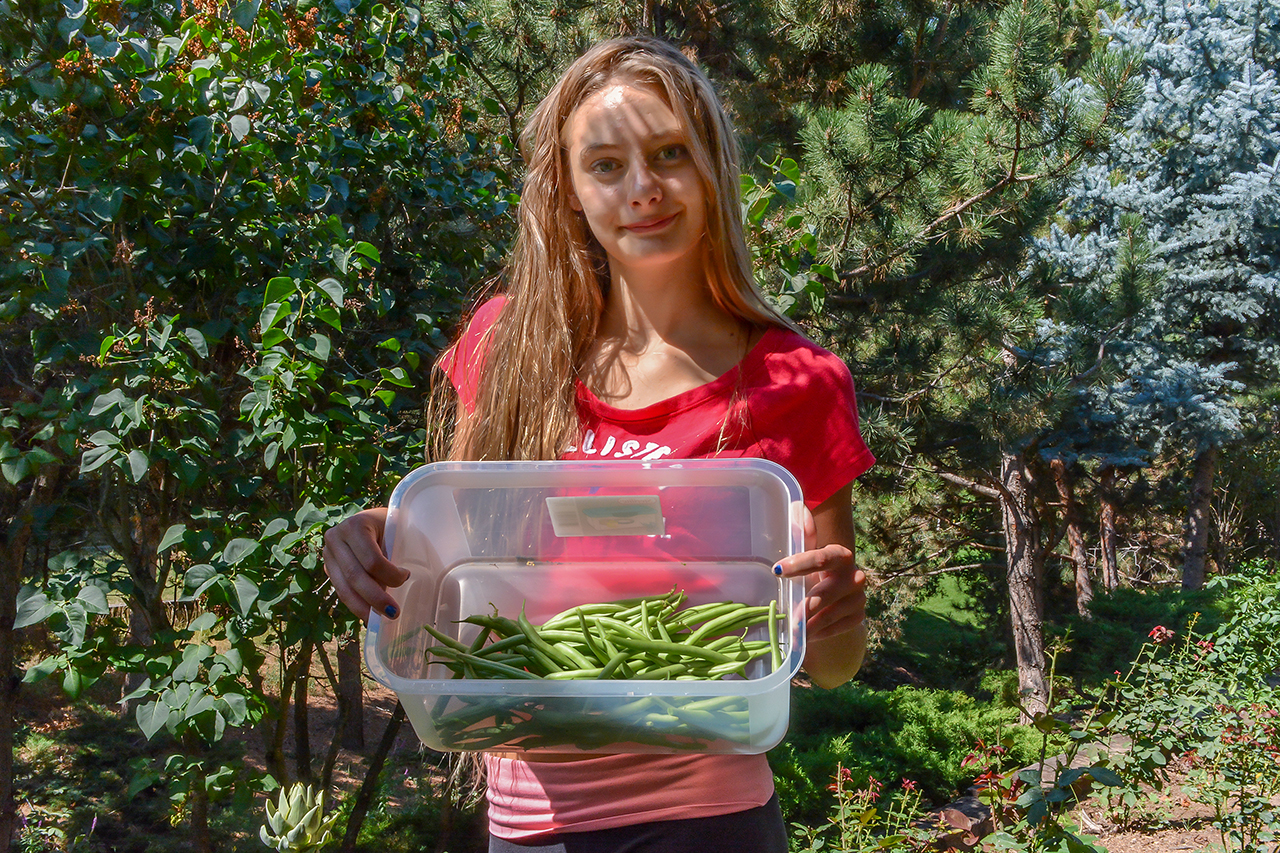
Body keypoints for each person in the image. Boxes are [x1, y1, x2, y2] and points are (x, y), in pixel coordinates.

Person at [323, 35, 875, 852]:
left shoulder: (798, 380)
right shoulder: (511, 345)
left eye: (669, 154)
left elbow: (830, 664)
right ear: (570, 191)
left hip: (708, 822)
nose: (643, 189)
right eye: (606, 165)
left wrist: (833, 614)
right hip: (529, 826)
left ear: (713, 169)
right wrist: (373, 535)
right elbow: (452, 559)